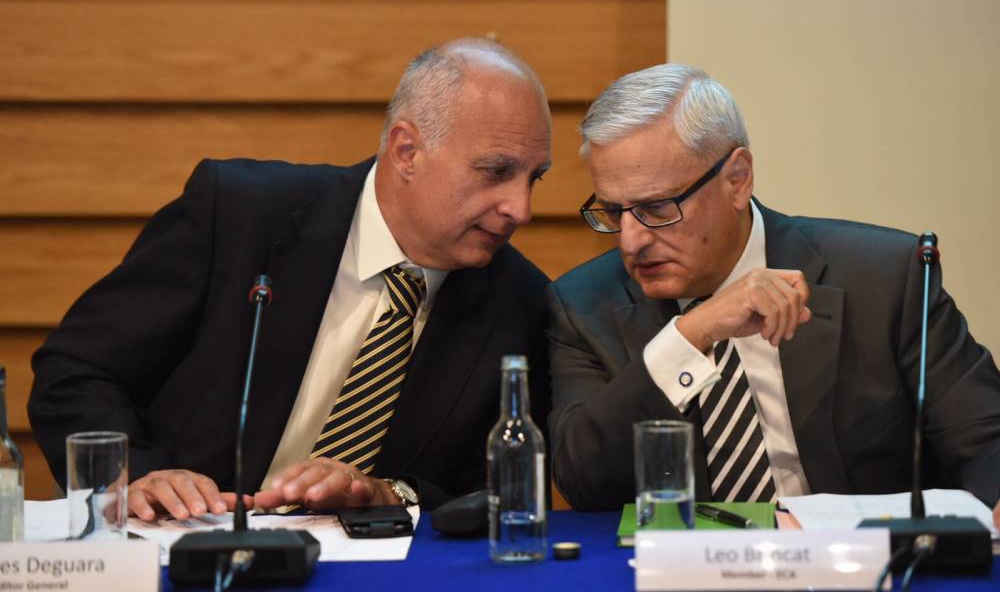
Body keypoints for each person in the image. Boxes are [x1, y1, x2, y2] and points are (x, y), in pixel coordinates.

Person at [29, 38, 553, 519]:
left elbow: (496, 491)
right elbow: (77, 372)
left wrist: (387, 492)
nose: (521, 209)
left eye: (534, 178)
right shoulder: (238, 215)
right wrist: (135, 477)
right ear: (406, 151)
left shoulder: (520, 301)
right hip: (180, 543)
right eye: (495, 171)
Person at [547, 63, 1000, 527]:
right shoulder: (584, 306)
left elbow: (985, 439)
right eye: (613, 211)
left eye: (656, 208)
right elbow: (583, 479)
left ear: (737, 179)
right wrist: (691, 334)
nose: (629, 240)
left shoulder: (884, 279)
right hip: (688, 568)